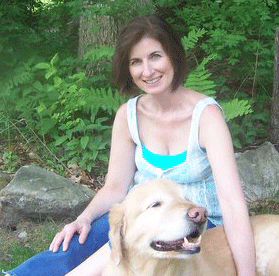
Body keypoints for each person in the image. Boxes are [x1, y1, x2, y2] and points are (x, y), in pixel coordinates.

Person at [4, 15, 256, 276]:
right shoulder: (128, 115)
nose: (147, 71)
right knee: (75, 245)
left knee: (109, 254)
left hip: (195, 224)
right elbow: (115, 187)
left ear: (173, 56)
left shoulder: (206, 117)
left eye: (156, 56)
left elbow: (232, 204)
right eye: (136, 62)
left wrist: (246, 273)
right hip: (141, 219)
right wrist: (84, 219)